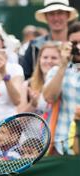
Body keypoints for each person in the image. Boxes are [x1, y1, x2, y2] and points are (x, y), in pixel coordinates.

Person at [43, 22, 80, 155]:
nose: (79, 47)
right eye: (75, 43)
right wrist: (63, 64)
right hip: (61, 145)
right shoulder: (57, 70)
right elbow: (48, 97)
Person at [21, 0, 78, 80]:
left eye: (60, 13)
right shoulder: (34, 46)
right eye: (51, 14)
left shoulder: (77, 44)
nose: (56, 18)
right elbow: (25, 76)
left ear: (67, 15)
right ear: (46, 17)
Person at [19, 42, 61, 115]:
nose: (49, 61)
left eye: (54, 58)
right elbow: (18, 121)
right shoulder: (28, 85)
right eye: (45, 57)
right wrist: (33, 104)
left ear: (62, 61)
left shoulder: (67, 84)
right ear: (39, 60)